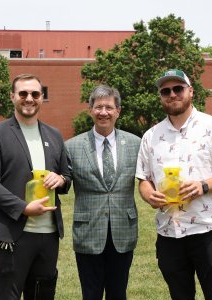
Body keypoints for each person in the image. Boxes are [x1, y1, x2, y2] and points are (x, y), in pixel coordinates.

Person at [136, 69, 212, 300]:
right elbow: (144, 180)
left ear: (191, 91)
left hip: (207, 229)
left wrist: (202, 186)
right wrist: (149, 195)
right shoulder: (151, 136)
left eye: (178, 88)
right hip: (168, 231)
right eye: (165, 91)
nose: (172, 94)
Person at [0, 73, 71, 300]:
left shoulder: (54, 135)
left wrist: (61, 179)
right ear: (12, 97)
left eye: (35, 94)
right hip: (11, 233)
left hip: (48, 235)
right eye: (23, 93)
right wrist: (23, 208)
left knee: (42, 295)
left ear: (42, 97)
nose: (29, 98)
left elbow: (67, 175)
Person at [65, 85, 141, 300]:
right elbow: (64, 180)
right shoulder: (72, 146)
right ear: (90, 110)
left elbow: (148, 178)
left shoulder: (135, 144)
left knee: (118, 293)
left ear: (118, 110)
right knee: (90, 294)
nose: (103, 112)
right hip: (88, 232)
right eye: (98, 107)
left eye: (109, 107)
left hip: (122, 230)